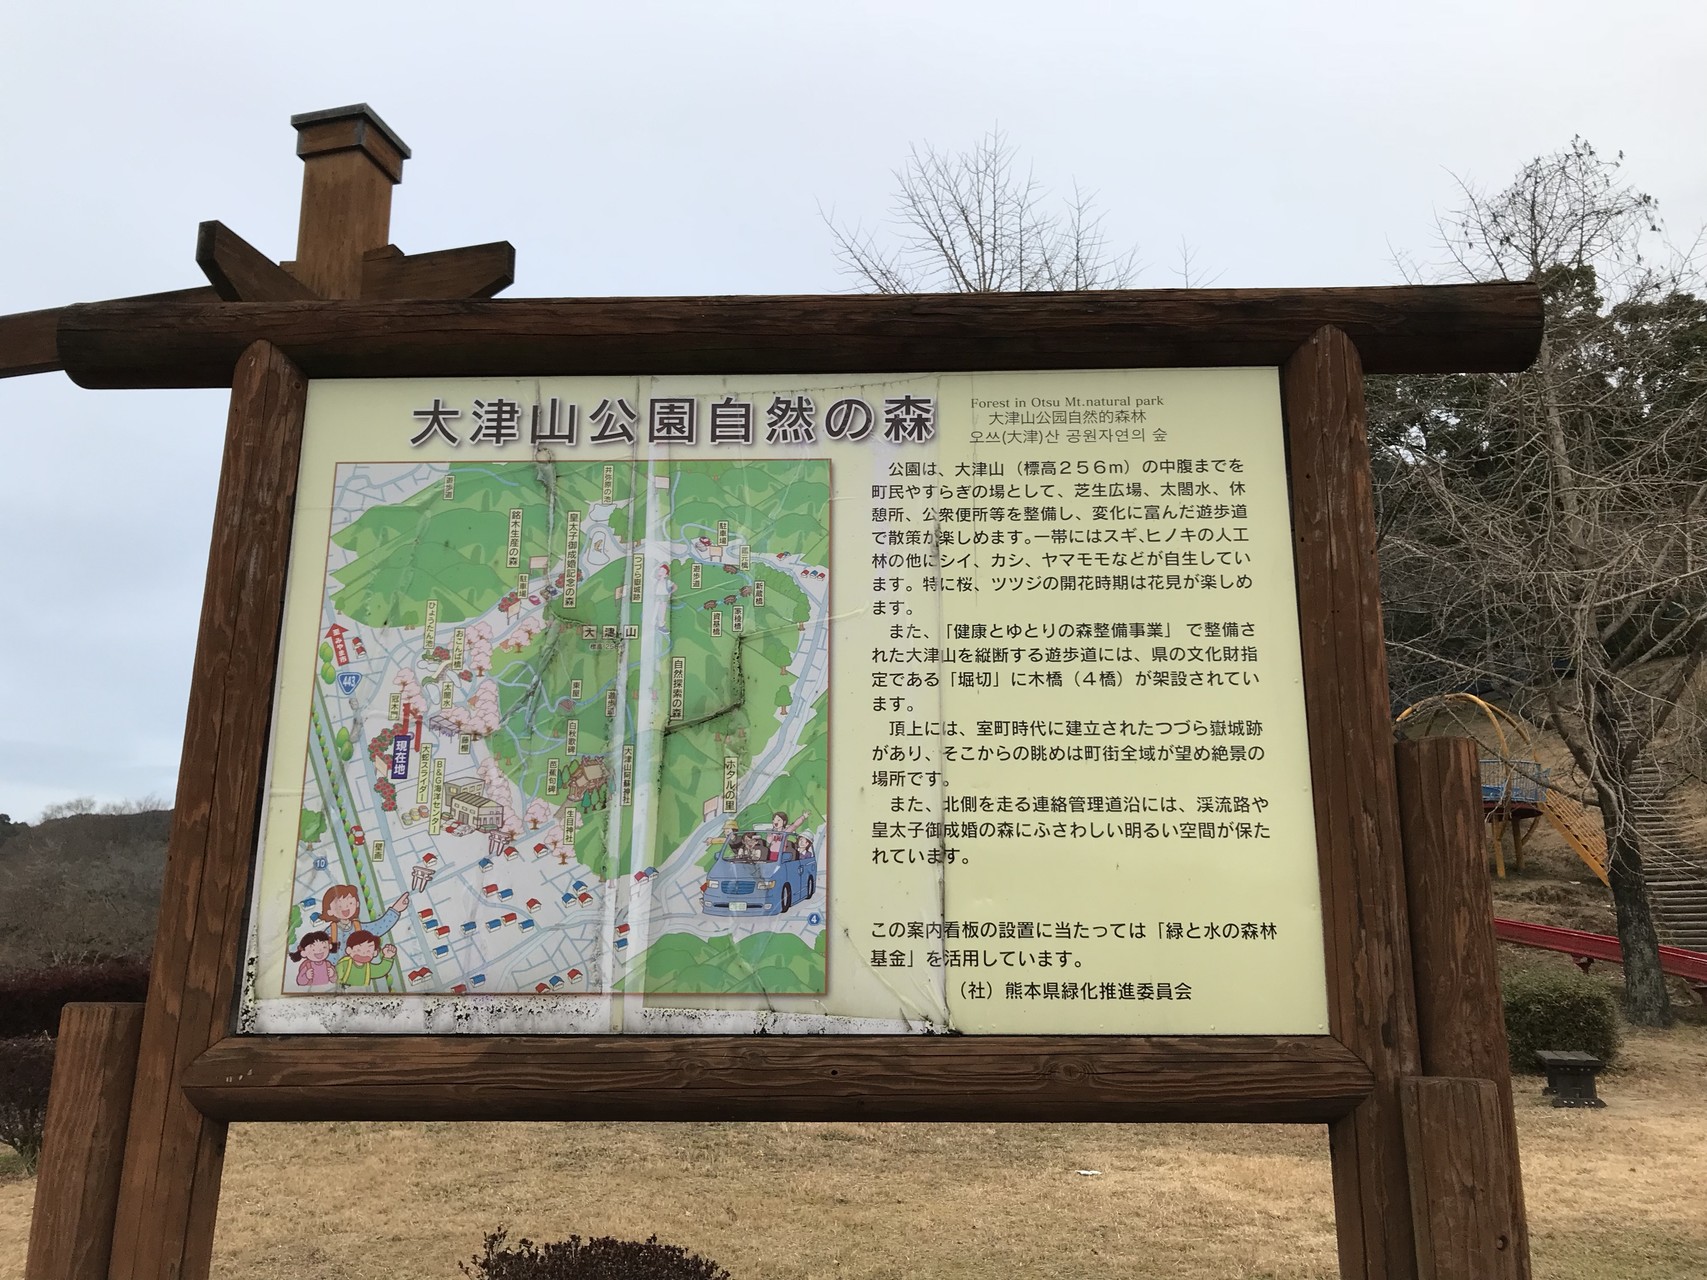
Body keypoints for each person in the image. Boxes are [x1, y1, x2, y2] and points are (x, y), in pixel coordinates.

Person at [320, 883, 408, 953]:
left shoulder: (358, 927)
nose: (345, 908)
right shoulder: (329, 933)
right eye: (339, 905)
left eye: (350, 903)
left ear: (357, 904)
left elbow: (379, 927)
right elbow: (325, 953)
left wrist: (396, 909)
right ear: (329, 911)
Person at [333, 931, 398, 988]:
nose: (363, 953)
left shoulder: (369, 968)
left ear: (375, 953)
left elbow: (381, 970)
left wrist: (387, 956)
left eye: (368, 951)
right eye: (358, 950)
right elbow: (335, 974)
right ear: (349, 950)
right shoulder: (344, 963)